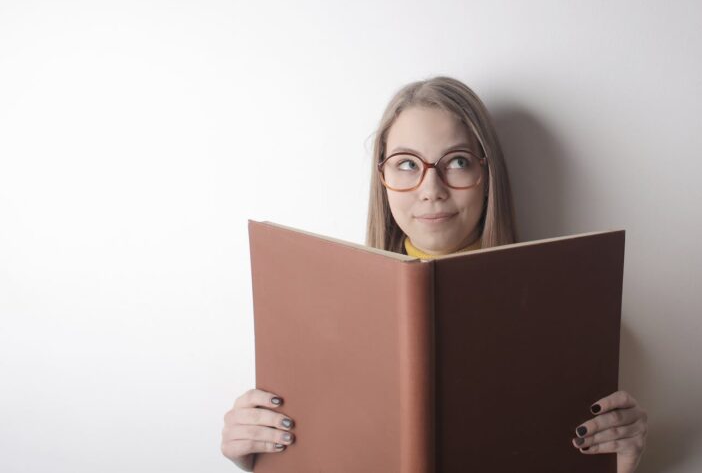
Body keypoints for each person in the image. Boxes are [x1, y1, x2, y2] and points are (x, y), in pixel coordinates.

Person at [220, 76, 649, 472]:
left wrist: (621, 465)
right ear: (382, 178)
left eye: (457, 161)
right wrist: (256, 456)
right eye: (407, 164)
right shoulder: (317, 315)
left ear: (487, 174)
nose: (431, 188)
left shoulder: (579, 318)